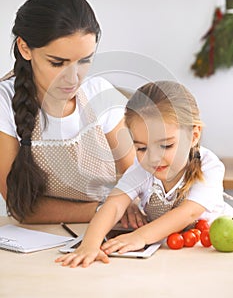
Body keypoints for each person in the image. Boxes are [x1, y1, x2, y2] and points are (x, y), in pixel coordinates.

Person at [0, 0, 143, 225]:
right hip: (44, 238)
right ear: (25, 48)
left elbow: (138, 181)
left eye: (84, 61)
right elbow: (20, 206)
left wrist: (128, 209)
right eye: (58, 63)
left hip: (104, 230)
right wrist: (102, 210)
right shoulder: (4, 102)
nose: (73, 78)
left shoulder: (99, 93)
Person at [55, 80, 233, 268]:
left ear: (194, 135)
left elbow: (189, 213)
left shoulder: (209, 166)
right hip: (167, 261)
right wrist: (90, 244)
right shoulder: (141, 168)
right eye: (141, 148)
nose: (153, 158)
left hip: (211, 258)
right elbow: (114, 205)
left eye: (165, 145)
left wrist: (140, 236)